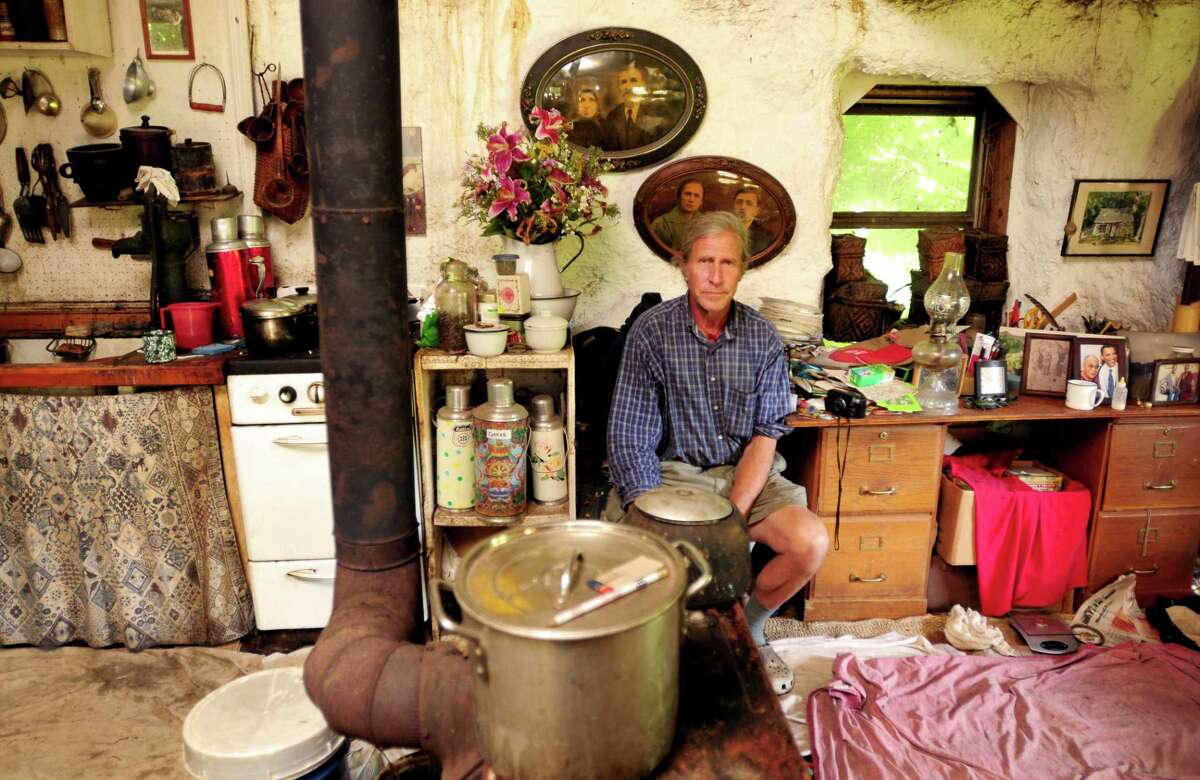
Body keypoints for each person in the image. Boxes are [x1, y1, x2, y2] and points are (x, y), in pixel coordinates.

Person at [606, 211, 829, 696]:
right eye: (704, 260)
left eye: (727, 262)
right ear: (682, 265)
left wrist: (732, 519)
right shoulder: (652, 331)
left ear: (743, 269)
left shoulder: (763, 338)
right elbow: (631, 436)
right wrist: (653, 519)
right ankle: (662, 650)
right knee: (630, 567)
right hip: (671, 476)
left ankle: (749, 630)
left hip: (747, 476)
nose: (715, 274)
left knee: (809, 542)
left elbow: (764, 439)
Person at [602, 61, 669, 151]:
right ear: (619, 87)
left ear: (643, 84)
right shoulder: (612, 116)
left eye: (633, 80)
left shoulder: (657, 112)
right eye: (623, 82)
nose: (628, 86)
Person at [650, 178, 704, 251]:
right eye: (688, 194)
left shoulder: (707, 222)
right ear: (679, 197)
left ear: (701, 201)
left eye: (696, 195)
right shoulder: (662, 223)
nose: (691, 199)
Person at [731, 187, 774, 258]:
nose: (742, 207)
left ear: (757, 210)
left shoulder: (766, 237)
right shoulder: (722, 229)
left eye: (749, 203)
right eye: (739, 202)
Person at [566, 83, 606, 150]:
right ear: (577, 105)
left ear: (597, 104)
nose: (586, 105)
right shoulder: (570, 127)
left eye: (591, 100)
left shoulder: (607, 127)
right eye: (582, 100)